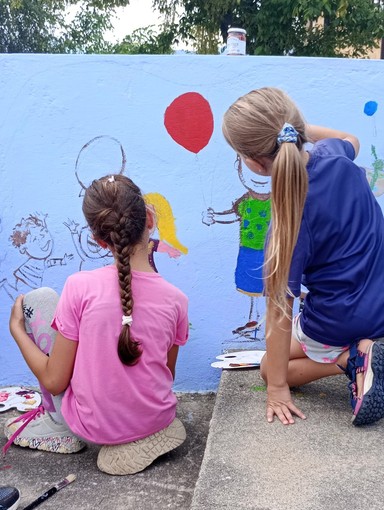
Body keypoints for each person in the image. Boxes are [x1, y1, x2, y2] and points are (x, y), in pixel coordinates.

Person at [3, 174, 189, 475]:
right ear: (150, 220)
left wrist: (17, 332)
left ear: (98, 240)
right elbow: (166, 373)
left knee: (41, 299)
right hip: (159, 416)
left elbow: (54, 382)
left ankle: (57, 425)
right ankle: (145, 431)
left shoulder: (79, 287)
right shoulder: (177, 300)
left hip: (93, 427)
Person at [222, 87, 384, 426]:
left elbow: (280, 311)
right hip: (380, 306)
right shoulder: (337, 157)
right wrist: (295, 132)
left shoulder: (286, 222)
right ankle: (368, 348)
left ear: (252, 162)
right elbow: (349, 137)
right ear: (296, 130)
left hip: (339, 321)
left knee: (268, 366)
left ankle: (351, 358)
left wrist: (277, 387)